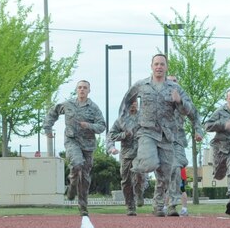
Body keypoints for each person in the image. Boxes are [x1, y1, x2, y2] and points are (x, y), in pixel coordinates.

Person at [118, 54, 194, 217]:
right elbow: (125, 104)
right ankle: (138, 166)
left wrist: (179, 101)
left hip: (167, 135)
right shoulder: (141, 85)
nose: (159, 67)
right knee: (150, 163)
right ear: (151, 66)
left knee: (166, 174)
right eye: (156, 64)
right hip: (146, 131)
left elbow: (188, 110)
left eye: (162, 64)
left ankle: (158, 205)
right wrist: (127, 125)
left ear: (166, 67)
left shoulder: (175, 88)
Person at [44, 80, 106, 217]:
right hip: (72, 141)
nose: (82, 90)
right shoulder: (68, 104)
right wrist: (48, 127)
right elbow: (53, 112)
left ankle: (83, 206)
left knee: (85, 177)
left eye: (85, 88)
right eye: (79, 87)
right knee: (77, 163)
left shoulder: (94, 108)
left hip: (88, 145)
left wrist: (89, 125)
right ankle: (72, 185)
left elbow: (102, 126)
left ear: (89, 90)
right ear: (76, 90)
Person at [165, 75, 203, 217]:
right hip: (160, 140)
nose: (173, 83)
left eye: (175, 81)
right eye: (169, 81)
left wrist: (198, 132)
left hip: (177, 140)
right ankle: (159, 203)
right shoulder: (158, 97)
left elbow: (195, 115)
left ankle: (172, 206)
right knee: (163, 174)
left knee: (175, 169)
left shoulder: (184, 99)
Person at [205, 88, 230, 215]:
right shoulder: (220, 112)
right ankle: (219, 171)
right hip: (221, 148)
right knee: (219, 174)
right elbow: (207, 126)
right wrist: (223, 125)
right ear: (226, 99)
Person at [108, 100, 146, 216]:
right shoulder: (121, 120)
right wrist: (114, 146)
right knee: (126, 181)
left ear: (138, 104)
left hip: (141, 153)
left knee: (139, 173)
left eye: (135, 102)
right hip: (126, 154)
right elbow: (111, 136)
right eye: (131, 102)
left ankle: (139, 192)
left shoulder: (144, 117)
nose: (133, 104)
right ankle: (130, 206)